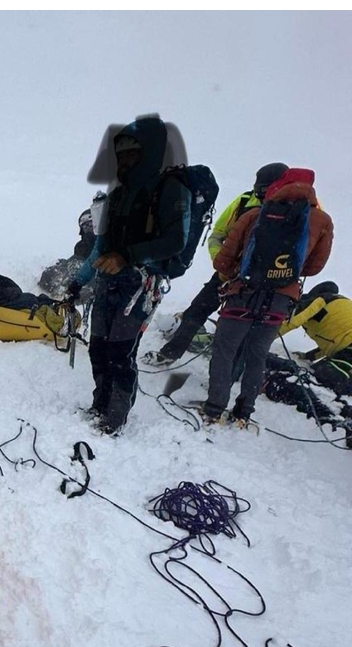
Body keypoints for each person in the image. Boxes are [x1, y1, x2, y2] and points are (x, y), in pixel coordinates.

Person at [67, 116, 192, 435]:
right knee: (99, 349)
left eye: (131, 151)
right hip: (108, 286)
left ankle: (115, 416)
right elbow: (100, 247)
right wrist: (79, 281)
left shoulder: (171, 189)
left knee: (121, 353)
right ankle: (101, 403)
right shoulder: (120, 193)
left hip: (139, 287)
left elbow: (175, 241)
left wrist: (128, 256)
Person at [202, 168, 333, 425]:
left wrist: (238, 273)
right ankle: (244, 412)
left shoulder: (256, 214)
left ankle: (214, 408)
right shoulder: (322, 221)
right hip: (280, 300)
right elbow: (315, 267)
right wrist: (285, 275)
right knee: (257, 354)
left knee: (225, 350)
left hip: (243, 292)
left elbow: (223, 260)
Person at [144, 163, 289, 365]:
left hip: (267, 284)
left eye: (264, 189)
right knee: (197, 310)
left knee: (242, 328)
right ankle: (171, 353)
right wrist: (223, 265)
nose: (261, 194)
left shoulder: (303, 210)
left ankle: (233, 375)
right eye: (259, 189)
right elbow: (218, 235)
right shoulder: (245, 201)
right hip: (230, 274)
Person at [277, 280, 352, 395]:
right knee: (325, 372)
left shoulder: (321, 300)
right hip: (346, 349)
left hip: (348, 349)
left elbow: (293, 322)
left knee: (324, 375)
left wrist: (263, 339)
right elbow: (333, 343)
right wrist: (308, 356)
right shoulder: (340, 305)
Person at [37, 207, 97, 300]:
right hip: (80, 276)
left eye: (91, 225)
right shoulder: (81, 246)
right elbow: (74, 261)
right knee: (59, 267)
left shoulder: (104, 243)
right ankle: (61, 287)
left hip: (96, 276)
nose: (89, 229)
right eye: (86, 226)